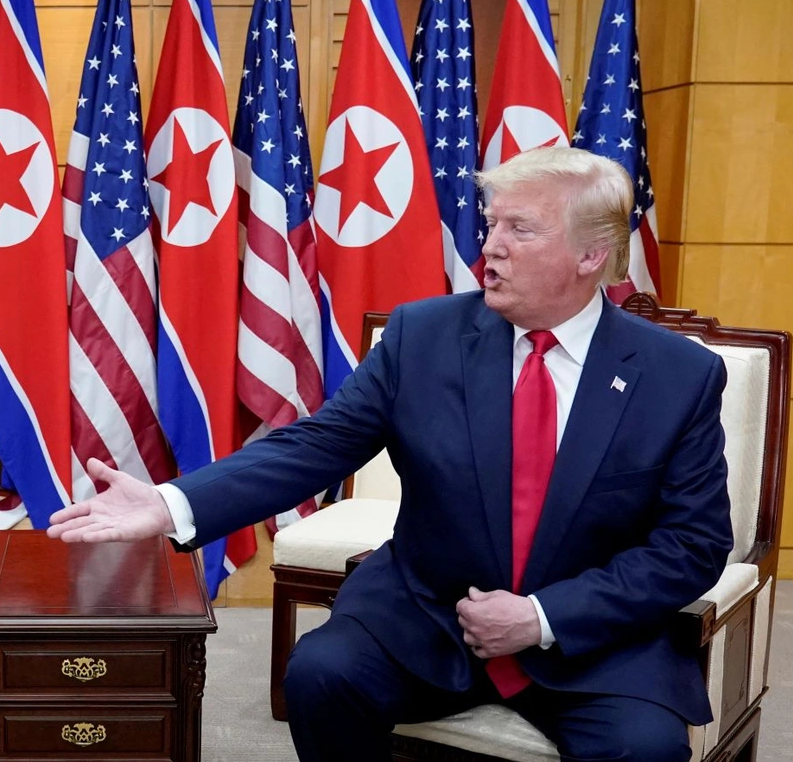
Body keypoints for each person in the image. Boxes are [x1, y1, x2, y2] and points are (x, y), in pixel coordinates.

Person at [50, 147, 732, 762]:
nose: (489, 248)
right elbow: (316, 446)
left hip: (592, 642)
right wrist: (173, 504)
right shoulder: (424, 336)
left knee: (641, 751)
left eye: (519, 230)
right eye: (491, 225)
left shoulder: (677, 376)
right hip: (432, 617)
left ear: (591, 256)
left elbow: (692, 545)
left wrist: (543, 617)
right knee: (321, 675)